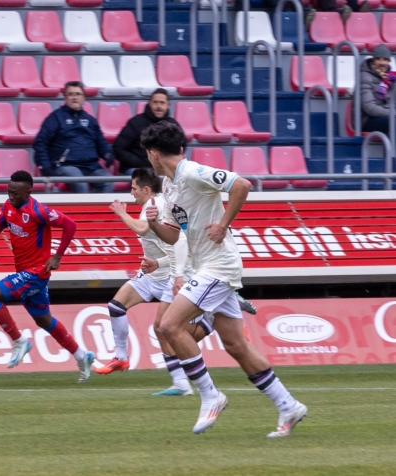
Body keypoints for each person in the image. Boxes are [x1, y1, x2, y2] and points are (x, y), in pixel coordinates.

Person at [140, 121, 307, 437]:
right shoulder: (169, 184)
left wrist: (224, 223)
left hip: (219, 266)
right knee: (236, 344)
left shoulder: (192, 173)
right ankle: (289, 406)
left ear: (153, 153)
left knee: (168, 326)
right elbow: (175, 236)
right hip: (204, 266)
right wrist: (153, 225)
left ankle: (210, 395)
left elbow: (241, 184)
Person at [95, 167, 214, 398]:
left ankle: (211, 322)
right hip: (154, 273)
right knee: (116, 307)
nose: (131, 193)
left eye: (134, 188)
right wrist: (156, 264)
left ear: (146, 189)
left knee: (166, 330)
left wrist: (121, 212)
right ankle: (121, 358)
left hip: (171, 277)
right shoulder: (152, 206)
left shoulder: (156, 205)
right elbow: (168, 246)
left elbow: (143, 228)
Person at [0, 170, 96, 383]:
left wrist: (57, 256)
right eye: (9, 191)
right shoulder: (8, 207)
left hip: (37, 272)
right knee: (43, 319)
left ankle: (19, 341)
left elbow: (70, 225)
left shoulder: (39, 211)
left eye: (15, 193)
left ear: (28, 191)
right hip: (25, 273)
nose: (11, 196)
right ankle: (82, 356)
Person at [33, 81, 115, 194]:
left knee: (108, 180)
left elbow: (101, 143)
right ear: (65, 98)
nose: (74, 97)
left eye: (77, 94)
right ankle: (84, 211)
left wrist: (108, 154)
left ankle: (101, 211)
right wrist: (45, 165)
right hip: (65, 166)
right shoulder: (55, 118)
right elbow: (40, 143)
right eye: (70, 94)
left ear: (83, 98)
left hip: (90, 166)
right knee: (79, 180)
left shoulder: (90, 120)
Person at [113, 88, 181, 176]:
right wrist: (141, 163)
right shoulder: (135, 123)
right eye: (155, 102)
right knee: (149, 180)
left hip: (163, 169)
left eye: (162, 103)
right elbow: (118, 148)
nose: (158, 106)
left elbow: (181, 146)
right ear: (149, 104)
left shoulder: (173, 125)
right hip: (136, 168)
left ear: (168, 105)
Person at [360, 44, 393, 134]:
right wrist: (392, 113)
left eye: (385, 59)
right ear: (373, 60)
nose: (382, 62)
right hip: (367, 120)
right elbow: (369, 108)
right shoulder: (365, 76)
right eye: (378, 59)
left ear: (389, 62)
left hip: (388, 116)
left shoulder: (391, 77)